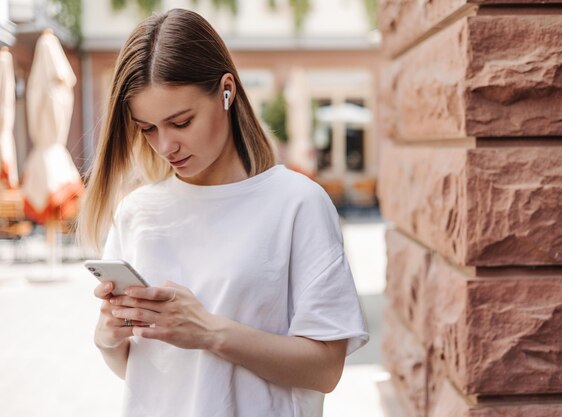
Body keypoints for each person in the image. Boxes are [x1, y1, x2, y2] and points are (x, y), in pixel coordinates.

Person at [78, 8, 368, 417]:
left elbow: (325, 370)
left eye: (181, 121)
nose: (165, 146)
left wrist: (208, 331)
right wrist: (109, 338)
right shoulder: (137, 213)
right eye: (147, 128)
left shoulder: (296, 204)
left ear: (226, 91)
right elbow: (145, 373)